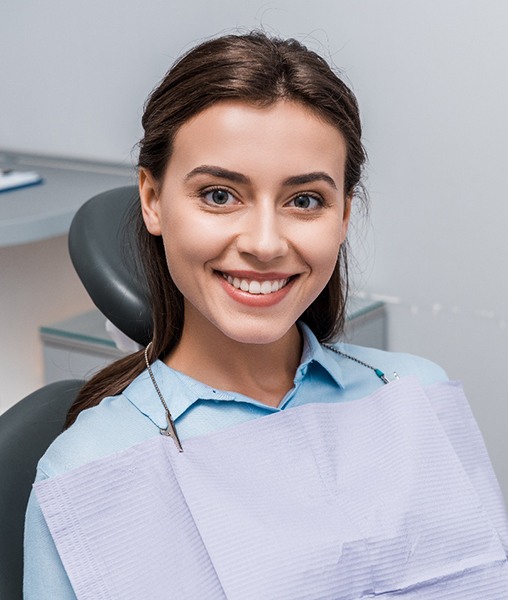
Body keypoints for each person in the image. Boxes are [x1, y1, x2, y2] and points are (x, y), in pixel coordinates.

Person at [24, 32, 508, 599]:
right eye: (220, 195)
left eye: (304, 200)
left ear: (344, 214)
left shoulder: (412, 393)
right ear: (153, 199)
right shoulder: (88, 470)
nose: (264, 242)